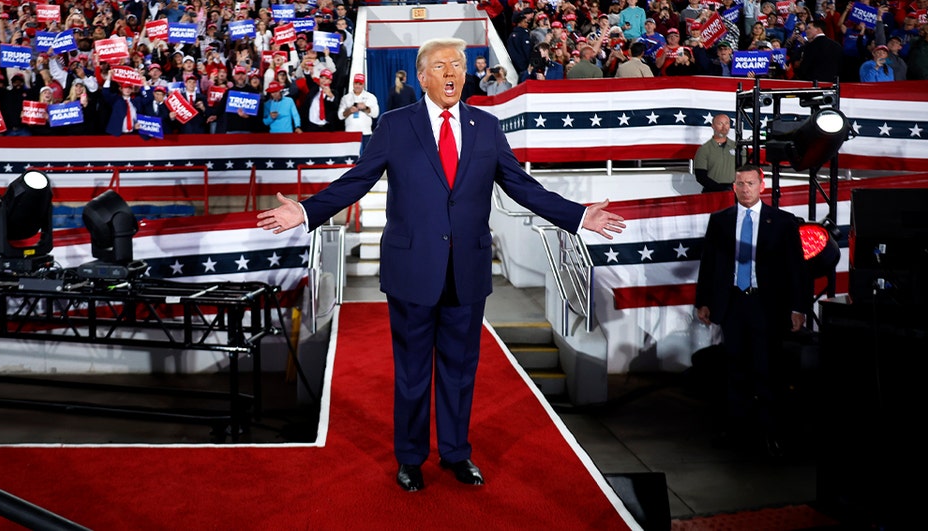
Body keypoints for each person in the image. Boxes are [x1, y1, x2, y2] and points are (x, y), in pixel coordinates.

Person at [256, 38, 625, 492]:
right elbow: (357, 180)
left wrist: (578, 214)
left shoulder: (487, 127)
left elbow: (522, 187)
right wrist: (308, 211)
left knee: (459, 371)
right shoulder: (394, 126)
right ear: (422, 77)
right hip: (412, 271)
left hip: (465, 272)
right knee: (412, 374)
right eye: (441, 65)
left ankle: (455, 453)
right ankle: (410, 458)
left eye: (458, 64)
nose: (452, 71)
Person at [695, 164, 807, 454]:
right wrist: (703, 301)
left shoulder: (782, 222)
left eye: (750, 183)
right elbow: (709, 264)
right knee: (734, 368)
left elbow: (796, 269)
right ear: (733, 187)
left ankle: (771, 432)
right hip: (732, 303)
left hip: (767, 305)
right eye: (740, 183)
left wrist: (798, 307)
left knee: (767, 368)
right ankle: (737, 431)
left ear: (762, 186)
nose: (745, 188)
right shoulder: (719, 220)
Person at [693, 114, 737, 193]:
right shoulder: (704, 149)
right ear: (713, 126)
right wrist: (721, 189)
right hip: (712, 193)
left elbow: (745, 171)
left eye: (726, 123)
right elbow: (700, 176)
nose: (724, 127)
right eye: (720, 124)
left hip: (734, 192)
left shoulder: (738, 147)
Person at [796, 19, 842, 85]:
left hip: (815, 85)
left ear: (818, 29)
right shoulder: (837, 45)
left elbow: (805, 67)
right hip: (832, 85)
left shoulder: (810, 46)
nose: (806, 31)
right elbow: (840, 67)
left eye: (809, 28)